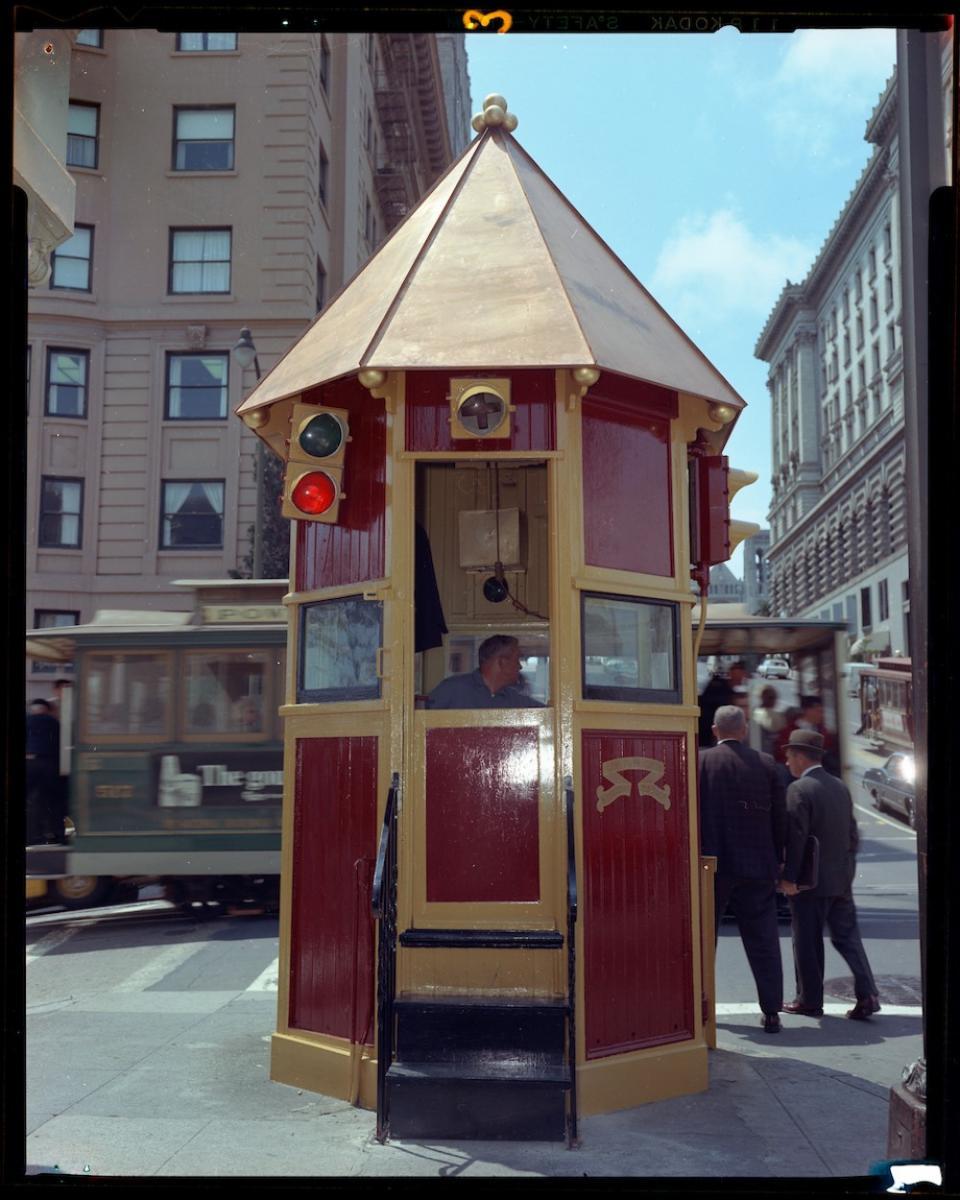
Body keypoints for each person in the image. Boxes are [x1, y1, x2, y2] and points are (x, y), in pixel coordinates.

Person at [779, 729, 880, 1021]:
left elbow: (797, 839)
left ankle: (809, 1000)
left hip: (811, 882)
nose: (787, 763)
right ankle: (868, 993)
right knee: (848, 938)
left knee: (807, 941)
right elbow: (852, 835)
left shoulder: (799, 789)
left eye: (789, 757)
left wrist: (790, 878)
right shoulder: (839, 786)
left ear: (800, 757)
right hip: (841, 877)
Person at [699, 705, 787, 1033]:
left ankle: (701, 1008)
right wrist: (778, 858)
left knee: (705, 938)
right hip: (757, 864)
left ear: (714, 730)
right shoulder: (766, 764)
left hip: (712, 865)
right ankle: (772, 1011)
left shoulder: (700, 762)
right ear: (745, 729)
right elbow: (780, 818)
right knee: (763, 939)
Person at [427, 635, 544, 709]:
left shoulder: (514, 699)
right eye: (517, 659)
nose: (520, 667)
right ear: (502, 662)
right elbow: (422, 727)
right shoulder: (452, 689)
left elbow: (548, 714)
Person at [26, 699, 63, 845]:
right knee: (52, 800)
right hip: (49, 764)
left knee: (30, 800)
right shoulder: (54, 722)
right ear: (46, 709)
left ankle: (31, 837)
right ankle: (55, 835)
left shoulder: (27, 720)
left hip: (29, 762)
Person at [775, 695, 840, 777]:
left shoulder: (823, 731)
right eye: (818, 711)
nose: (822, 715)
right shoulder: (788, 731)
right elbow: (782, 755)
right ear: (807, 711)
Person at [698, 660, 748, 747]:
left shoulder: (730, 691)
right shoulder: (717, 686)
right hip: (708, 730)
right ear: (731, 673)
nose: (741, 677)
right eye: (738, 672)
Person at [752, 685, 786, 756]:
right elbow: (771, 726)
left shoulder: (777, 714)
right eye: (770, 698)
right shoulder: (758, 713)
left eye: (773, 697)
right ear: (762, 698)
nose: (773, 700)